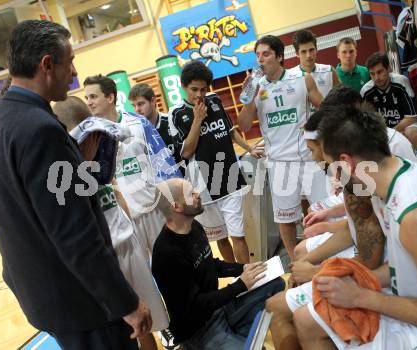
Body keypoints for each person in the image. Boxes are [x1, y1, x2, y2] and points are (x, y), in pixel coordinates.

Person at [0, 20, 151, 349]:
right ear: (47, 65)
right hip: (81, 299)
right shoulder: (41, 130)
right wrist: (125, 302)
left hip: (42, 293)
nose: (74, 72)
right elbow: (74, 232)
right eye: (70, 62)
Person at [294, 105, 417, 349]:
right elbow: (405, 267)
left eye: (331, 166)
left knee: (309, 321)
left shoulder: (414, 214)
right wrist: (352, 278)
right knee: (308, 318)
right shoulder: (385, 183)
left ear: (346, 163)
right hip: (409, 303)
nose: (334, 178)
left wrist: (361, 296)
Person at [53, 96, 170, 350]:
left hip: (128, 241)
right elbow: (72, 205)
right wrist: (83, 162)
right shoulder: (61, 162)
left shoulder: (101, 147)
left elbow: (114, 189)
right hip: (107, 256)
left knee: (148, 320)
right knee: (128, 328)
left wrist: (131, 226)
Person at [84, 75, 180, 348]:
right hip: (123, 220)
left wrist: (173, 200)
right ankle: (162, 330)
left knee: (169, 271)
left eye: (93, 96)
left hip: (152, 210)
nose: (89, 101)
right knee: (140, 285)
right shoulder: (90, 136)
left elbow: (162, 159)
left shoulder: (138, 124)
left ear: (110, 97)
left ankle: (178, 321)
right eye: (87, 97)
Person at [151, 178, 285, 349]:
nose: (197, 194)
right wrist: (240, 285)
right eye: (191, 194)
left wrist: (242, 268)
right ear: (176, 206)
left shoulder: (195, 226)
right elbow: (195, 306)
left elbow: (210, 265)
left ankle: (241, 336)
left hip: (219, 308)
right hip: (199, 330)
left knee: (276, 282)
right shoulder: (167, 255)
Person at [238, 34, 328, 260]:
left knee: (324, 212)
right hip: (279, 163)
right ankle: (296, 263)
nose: (261, 59)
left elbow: (326, 108)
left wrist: (317, 127)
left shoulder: (302, 78)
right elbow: (244, 125)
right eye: (257, 55)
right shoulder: (256, 88)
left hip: (309, 158)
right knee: (286, 219)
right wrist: (248, 99)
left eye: (266, 54)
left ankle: (329, 254)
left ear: (279, 57)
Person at [169, 61, 259, 264]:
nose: (199, 94)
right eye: (194, 90)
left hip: (229, 178)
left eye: (203, 89)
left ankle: (249, 279)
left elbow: (230, 131)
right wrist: (198, 119)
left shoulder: (215, 100)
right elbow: (186, 151)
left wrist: (249, 148)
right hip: (204, 187)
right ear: (184, 87)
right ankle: (236, 277)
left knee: (238, 235)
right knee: (221, 238)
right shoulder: (176, 114)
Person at [361, 52, 417, 148]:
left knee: (414, 134)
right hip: (382, 133)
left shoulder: (402, 82)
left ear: (388, 68)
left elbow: (412, 117)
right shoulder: (365, 92)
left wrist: (392, 133)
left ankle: (415, 155)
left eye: (380, 72)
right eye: (372, 74)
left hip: (404, 127)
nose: (376, 78)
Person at [128, 83, 184, 172]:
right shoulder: (136, 132)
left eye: (140, 104)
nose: (136, 110)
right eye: (134, 105)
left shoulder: (172, 121)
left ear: (153, 101)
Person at [289, 29, 339, 107]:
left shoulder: (330, 70)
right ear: (297, 54)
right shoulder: (290, 77)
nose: (308, 55)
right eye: (303, 52)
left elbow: (342, 98)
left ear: (316, 49)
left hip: (328, 118)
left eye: (311, 50)